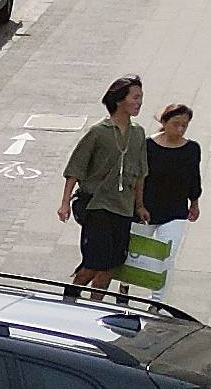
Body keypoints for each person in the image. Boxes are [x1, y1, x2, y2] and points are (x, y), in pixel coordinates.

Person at [59, 76, 150, 298]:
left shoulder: (138, 133)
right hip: (97, 206)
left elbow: (140, 173)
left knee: (111, 265)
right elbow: (75, 168)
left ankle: (94, 307)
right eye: (135, 97)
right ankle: (69, 298)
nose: (139, 102)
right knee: (93, 264)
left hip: (123, 208)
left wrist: (140, 205)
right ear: (119, 100)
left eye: (141, 98)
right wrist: (65, 204)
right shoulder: (98, 132)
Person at [143, 104, 203, 226]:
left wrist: (194, 204)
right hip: (147, 209)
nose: (180, 129)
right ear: (164, 122)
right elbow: (139, 177)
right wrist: (138, 206)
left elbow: (194, 177)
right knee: (142, 245)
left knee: (169, 244)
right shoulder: (147, 145)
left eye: (184, 125)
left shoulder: (192, 149)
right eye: (176, 124)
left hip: (176, 211)